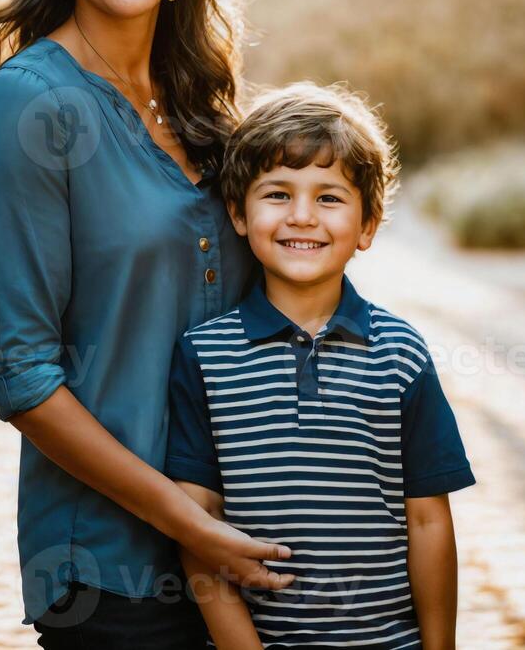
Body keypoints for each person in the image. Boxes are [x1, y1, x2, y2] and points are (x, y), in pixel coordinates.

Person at [0, 0, 295, 648]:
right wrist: (187, 523)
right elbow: (23, 378)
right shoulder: (28, 109)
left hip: (250, 553)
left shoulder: (204, 100)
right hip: (114, 577)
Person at [166, 81, 476, 649]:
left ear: (367, 225)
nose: (302, 216)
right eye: (277, 194)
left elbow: (429, 521)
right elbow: (197, 527)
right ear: (238, 213)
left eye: (329, 197)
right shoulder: (203, 356)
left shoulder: (401, 352)